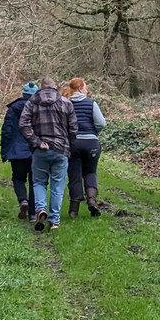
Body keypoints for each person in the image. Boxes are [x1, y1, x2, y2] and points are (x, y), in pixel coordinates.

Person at [19, 76, 78, 231]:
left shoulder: (32, 102)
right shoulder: (66, 103)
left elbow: (23, 124)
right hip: (61, 149)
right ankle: (54, 220)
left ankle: (40, 209)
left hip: (41, 150)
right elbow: (73, 128)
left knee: (39, 182)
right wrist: (68, 144)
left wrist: (36, 141)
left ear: (41, 87)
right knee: (57, 185)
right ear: (55, 87)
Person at [64, 77, 107, 218]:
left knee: (74, 175)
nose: (87, 89)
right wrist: (93, 132)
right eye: (85, 87)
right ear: (80, 89)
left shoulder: (67, 104)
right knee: (90, 172)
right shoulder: (91, 104)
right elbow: (101, 123)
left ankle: (74, 209)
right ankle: (91, 200)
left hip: (74, 144)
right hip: (91, 144)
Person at [0, 81, 39, 219]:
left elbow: (6, 131)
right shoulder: (40, 109)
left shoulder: (13, 109)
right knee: (35, 182)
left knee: (18, 179)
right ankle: (33, 214)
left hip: (17, 151)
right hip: (35, 151)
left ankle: (23, 200)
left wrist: (4, 150)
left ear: (23, 94)